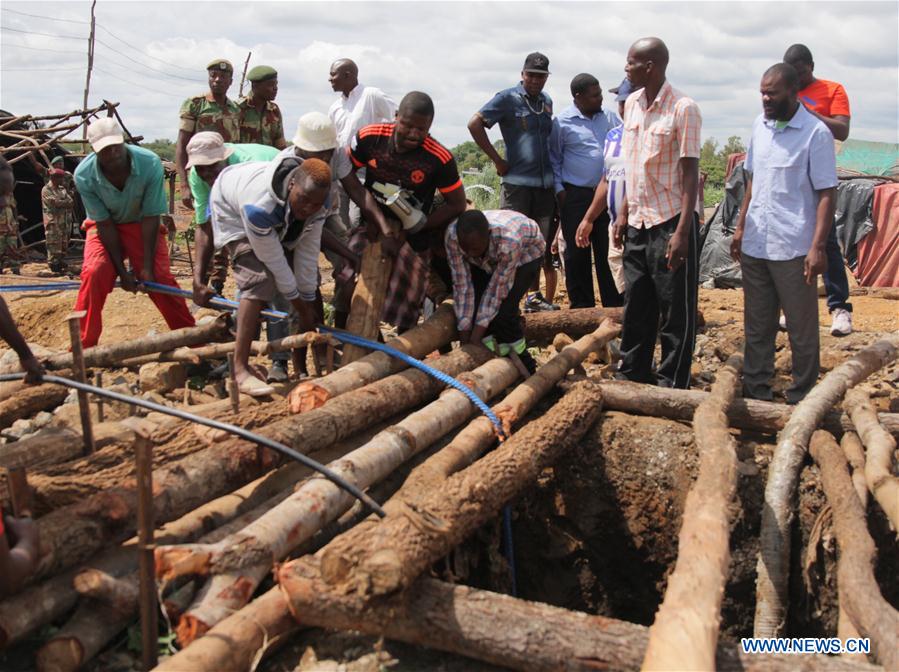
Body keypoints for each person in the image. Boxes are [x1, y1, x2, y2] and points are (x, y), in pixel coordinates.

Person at [731, 63, 837, 404]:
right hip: (756, 245)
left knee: (801, 329)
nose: (765, 98)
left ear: (793, 92)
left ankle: (802, 396)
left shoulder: (815, 133)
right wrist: (741, 226)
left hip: (794, 248)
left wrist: (818, 246)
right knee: (757, 326)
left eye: (772, 92)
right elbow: (752, 182)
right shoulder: (759, 127)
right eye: (762, 92)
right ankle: (757, 392)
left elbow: (826, 193)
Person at [613, 37, 702, 389]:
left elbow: (691, 172)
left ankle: (671, 385)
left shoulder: (684, 108)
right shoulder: (632, 103)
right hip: (637, 220)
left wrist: (682, 231)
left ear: (650, 66)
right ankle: (631, 374)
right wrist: (622, 212)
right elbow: (632, 164)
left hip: (669, 222)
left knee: (675, 312)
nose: (626, 67)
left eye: (631, 62)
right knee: (636, 306)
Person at [207, 156, 331, 395]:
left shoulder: (321, 205)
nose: (308, 208)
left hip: (275, 217)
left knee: (297, 275)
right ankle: (240, 369)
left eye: (315, 204)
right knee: (259, 279)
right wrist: (302, 309)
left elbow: (307, 254)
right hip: (231, 210)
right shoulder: (259, 206)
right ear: (293, 183)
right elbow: (275, 262)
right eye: (304, 199)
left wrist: (306, 297)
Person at [346, 91, 467, 332]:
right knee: (348, 278)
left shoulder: (438, 158)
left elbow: (457, 204)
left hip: (412, 229)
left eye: (421, 129)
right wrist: (378, 222)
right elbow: (347, 174)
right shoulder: (370, 137)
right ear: (396, 116)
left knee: (409, 297)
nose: (414, 134)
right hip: (370, 219)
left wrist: (417, 227)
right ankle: (347, 335)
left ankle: (403, 347)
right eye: (407, 125)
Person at [73, 118, 196, 347]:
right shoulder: (83, 174)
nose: (113, 154)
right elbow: (104, 224)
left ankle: (191, 339)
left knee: (159, 278)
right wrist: (121, 272)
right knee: (94, 272)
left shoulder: (148, 163)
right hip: (105, 226)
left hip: (142, 223)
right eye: (105, 150)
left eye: (115, 146)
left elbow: (151, 217)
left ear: (123, 141)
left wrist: (146, 268)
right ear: (94, 151)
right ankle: (83, 348)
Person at [185, 131, 294, 382]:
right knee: (249, 288)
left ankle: (279, 361)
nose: (206, 174)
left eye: (211, 167)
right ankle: (239, 359)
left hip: (276, 208)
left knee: (275, 283)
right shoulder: (199, 176)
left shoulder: (253, 166)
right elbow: (204, 226)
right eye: (200, 169)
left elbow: (266, 219)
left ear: (225, 158)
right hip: (239, 215)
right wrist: (198, 280)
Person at [468, 52, 559, 313]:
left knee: (537, 245)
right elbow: (475, 123)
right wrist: (497, 160)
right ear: (522, 74)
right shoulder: (507, 98)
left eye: (541, 77)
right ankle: (504, 300)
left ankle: (533, 298)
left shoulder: (546, 102)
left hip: (544, 187)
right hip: (517, 185)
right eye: (531, 75)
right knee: (511, 242)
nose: (535, 81)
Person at [783, 43, 853, 336]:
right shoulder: (786, 91)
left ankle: (840, 309)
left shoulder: (833, 90)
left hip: (820, 175)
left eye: (799, 74)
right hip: (791, 175)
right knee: (792, 241)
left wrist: (808, 113)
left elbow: (842, 130)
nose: (796, 81)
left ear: (810, 66)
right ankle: (795, 308)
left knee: (826, 241)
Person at [278, 113, 364, 332]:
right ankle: (296, 346)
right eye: (320, 154)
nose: (326, 158)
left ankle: (342, 330)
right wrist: (349, 254)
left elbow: (355, 189)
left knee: (348, 269)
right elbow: (309, 227)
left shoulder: (336, 153)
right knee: (303, 283)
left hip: (327, 215)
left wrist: (378, 222)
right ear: (302, 149)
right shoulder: (286, 166)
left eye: (328, 153)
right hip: (291, 224)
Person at [549, 73, 622, 308]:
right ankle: (581, 308)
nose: (600, 98)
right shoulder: (561, 122)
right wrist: (560, 191)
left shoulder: (610, 118)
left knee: (606, 251)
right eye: (595, 95)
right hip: (576, 195)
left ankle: (613, 306)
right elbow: (554, 158)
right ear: (578, 97)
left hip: (607, 194)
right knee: (576, 254)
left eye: (600, 93)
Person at [446, 209, 544, 373]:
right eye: (465, 249)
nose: (469, 254)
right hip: (491, 256)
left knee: (505, 312)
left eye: (474, 249)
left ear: (488, 234)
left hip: (527, 254)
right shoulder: (452, 236)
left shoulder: (509, 242)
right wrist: (466, 341)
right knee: (478, 308)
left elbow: (496, 292)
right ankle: (492, 357)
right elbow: (462, 287)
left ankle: (525, 363)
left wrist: (474, 338)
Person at [176, 59, 241, 293]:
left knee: (227, 227)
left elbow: (236, 146)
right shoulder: (195, 104)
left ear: (230, 81)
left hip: (226, 174)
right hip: (202, 175)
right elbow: (182, 144)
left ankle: (218, 282)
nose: (217, 80)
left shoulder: (234, 109)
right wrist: (183, 184)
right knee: (205, 226)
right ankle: (202, 278)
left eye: (222, 77)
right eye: (213, 75)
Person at [576, 79, 638, 296]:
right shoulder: (613, 136)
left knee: (641, 286)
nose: (624, 108)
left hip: (640, 225)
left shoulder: (648, 134)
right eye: (621, 102)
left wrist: (625, 214)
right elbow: (607, 179)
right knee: (622, 286)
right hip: (616, 224)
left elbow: (640, 179)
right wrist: (589, 218)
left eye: (629, 102)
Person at [327, 58, 396, 229]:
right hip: (340, 172)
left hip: (366, 172)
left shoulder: (371, 95)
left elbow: (398, 120)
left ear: (347, 75)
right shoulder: (335, 107)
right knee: (341, 226)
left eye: (333, 74)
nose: (330, 79)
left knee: (357, 222)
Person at [238, 65, 288, 149]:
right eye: (270, 85)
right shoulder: (238, 108)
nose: (275, 88)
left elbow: (280, 144)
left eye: (276, 84)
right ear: (255, 86)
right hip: (245, 161)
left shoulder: (274, 110)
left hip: (269, 160)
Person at [41, 168, 75, 274]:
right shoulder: (46, 189)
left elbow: (71, 201)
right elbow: (55, 203)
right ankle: (53, 264)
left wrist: (63, 202)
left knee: (63, 243)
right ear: (55, 178)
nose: (63, 180)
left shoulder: (61, 189)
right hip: (53, 221)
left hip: (63, 221)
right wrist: (64, 202)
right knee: (53, 243)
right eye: (61, 178)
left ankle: (60, 261)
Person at [0, 158, 22, 275]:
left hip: (11, 225)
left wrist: (16, 221)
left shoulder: (10, 195)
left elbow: (14, 207)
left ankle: (15, 268)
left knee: (13, 247)